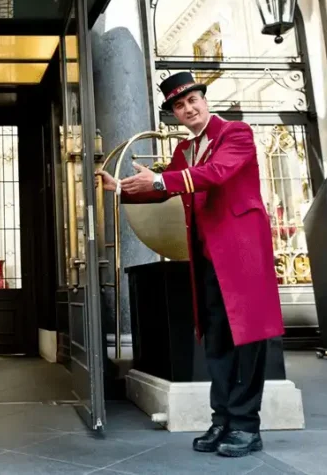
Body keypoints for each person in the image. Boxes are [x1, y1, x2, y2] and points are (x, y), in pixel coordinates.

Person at [97, 71, 283, 458]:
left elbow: (214, 175)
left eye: (191, 100)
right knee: (216, 340)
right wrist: (122, 188)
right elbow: (164, 184)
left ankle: (247, 426)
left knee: (247, 339)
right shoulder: (184, 152)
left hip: (242, 254)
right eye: (179, 106)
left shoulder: (236, 133)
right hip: (206, 256)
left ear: (204, 99)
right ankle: (223, 420)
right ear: (175, 114)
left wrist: (161, 182)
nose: (188, 109)